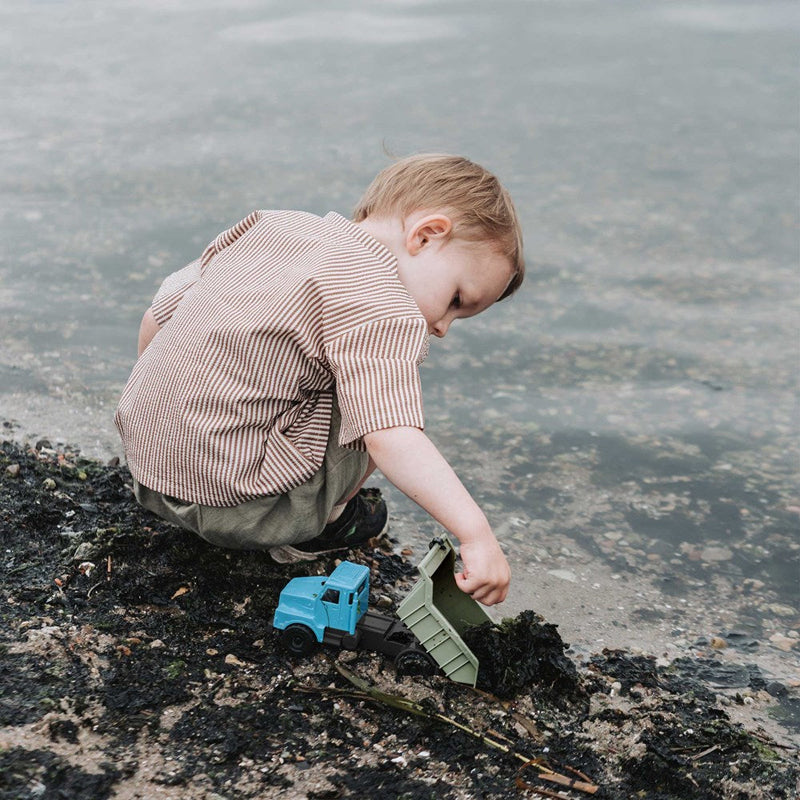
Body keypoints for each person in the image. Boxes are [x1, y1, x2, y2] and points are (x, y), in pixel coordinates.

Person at [115, 154, 524, 606]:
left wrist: (168, 417)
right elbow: (390, 434)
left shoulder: (271, 226)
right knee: (385, 403)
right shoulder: (384, 304)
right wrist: (476, 534)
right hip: (238, 511)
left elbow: (159, 317)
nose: (443, 327)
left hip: (147, 471)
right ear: (426, 235)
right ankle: (325, 523)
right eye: (456, 300)